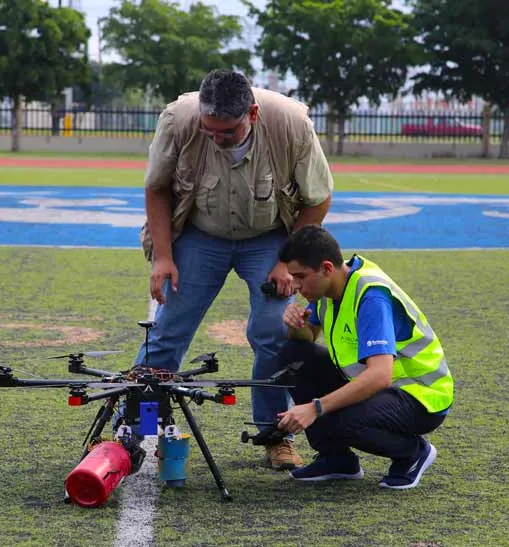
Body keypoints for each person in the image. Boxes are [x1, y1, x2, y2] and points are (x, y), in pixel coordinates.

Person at [137, 69, 334, 470]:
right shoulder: (179, 119)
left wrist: (285, 262)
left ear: (253, 113)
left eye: (226, 132)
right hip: (199, 232)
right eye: (209, 130)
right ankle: (138, 427)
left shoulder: (292, 124)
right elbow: (157, 187)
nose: (216, 139)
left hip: (267, 237)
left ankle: (274, 435)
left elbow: (318, 197)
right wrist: (163, 256)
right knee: (167, 331)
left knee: (272, 332)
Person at [274, 224, 453, 488]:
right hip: (381, 387)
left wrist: (315, 408)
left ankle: (413, 454)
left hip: (420, 396)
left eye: (300, 277)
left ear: (326, 268)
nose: (296, 286)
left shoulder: (371, 297)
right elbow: (308, 339)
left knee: (342, 418)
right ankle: (337, 459)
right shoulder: (330, 285)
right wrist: (295, 326)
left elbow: (380, 376)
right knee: (293, 355)